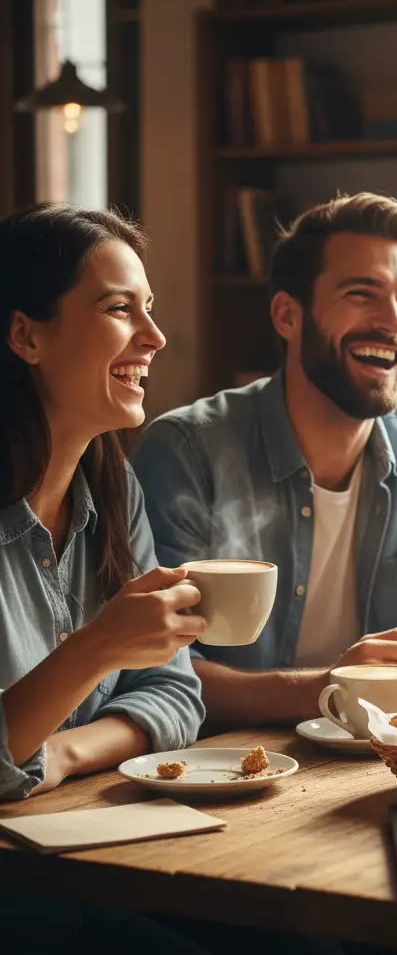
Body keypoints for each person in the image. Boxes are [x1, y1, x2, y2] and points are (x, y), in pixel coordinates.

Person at [131, 193, 397, 730]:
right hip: (224, 761)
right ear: (287, 316)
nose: (393, 323)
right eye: (362, 294)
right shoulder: (187, 451)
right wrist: (327, 689)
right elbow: (151, 668)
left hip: (381, 757)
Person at [0, 202, 204, 801]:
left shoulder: (114, 487)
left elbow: (175, 694)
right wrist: (97, 647)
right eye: (119, 308)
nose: (155, 337)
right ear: (26, 336)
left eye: (149, 307)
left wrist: (61, 753)